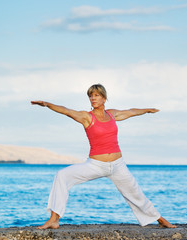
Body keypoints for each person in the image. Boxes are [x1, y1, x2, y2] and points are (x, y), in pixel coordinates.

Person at [31, 84, 176, 229]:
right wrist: (47, 104)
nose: (93, 98)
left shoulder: (112, 114)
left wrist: (147, 110)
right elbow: (67, 111)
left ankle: (160, 219)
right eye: (90, 96)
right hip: (96, 165)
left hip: (118, 165)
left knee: (135, 192)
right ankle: (54, 219)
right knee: (62, 176)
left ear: (104, 98)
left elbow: (130, 112)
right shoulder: (87, 117)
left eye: (96, 95)